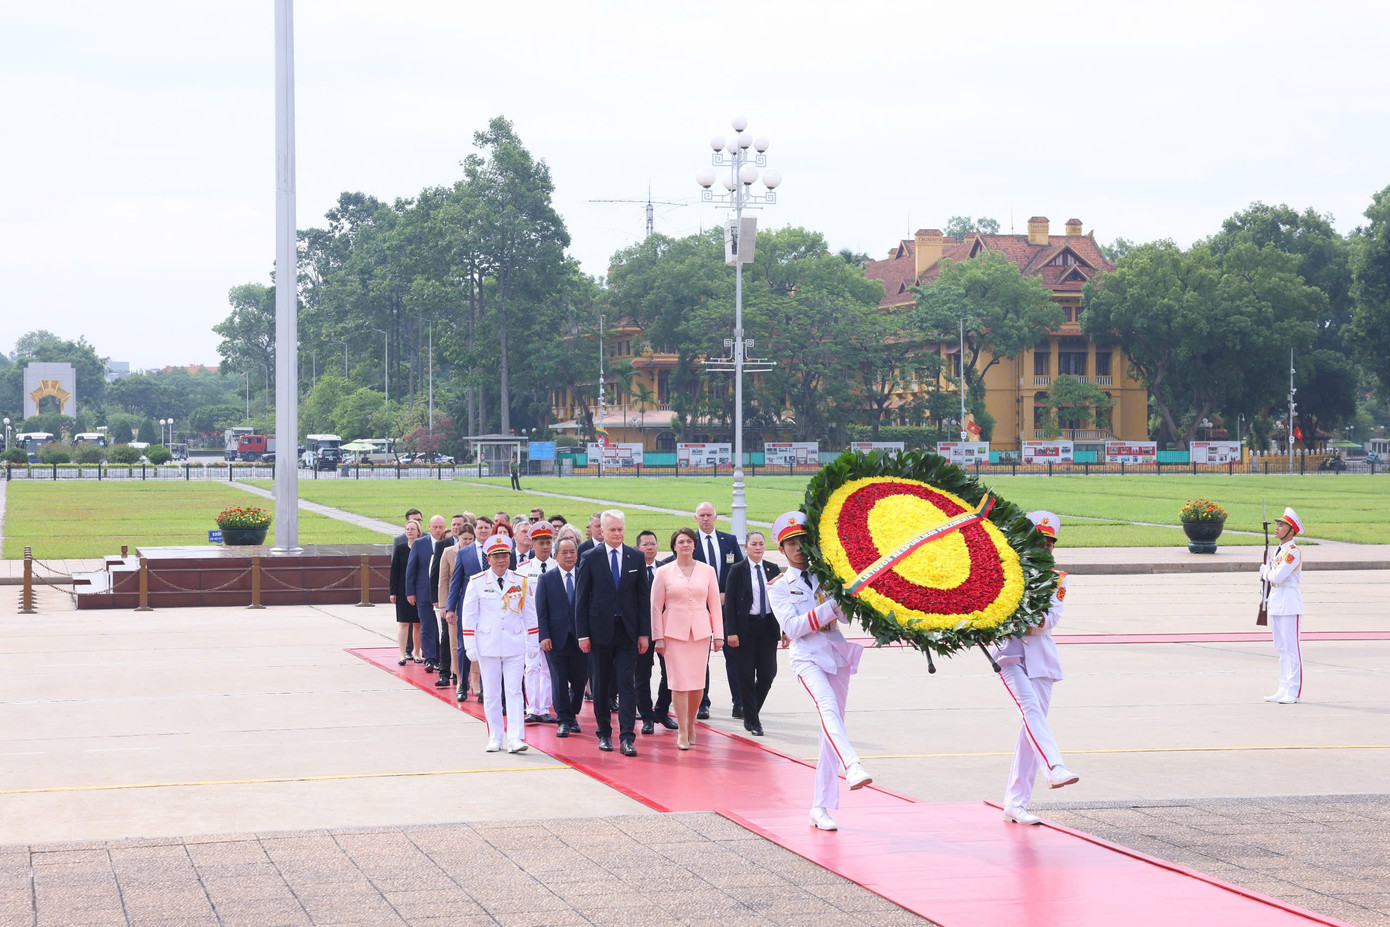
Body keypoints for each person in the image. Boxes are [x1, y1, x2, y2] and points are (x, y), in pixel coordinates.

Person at [767, 511, 871, 832]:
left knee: (831, 728)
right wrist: (831, 604)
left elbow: (846, 619)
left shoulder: (829, 577)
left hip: (835, 653)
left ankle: (820, 806)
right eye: (791, 544)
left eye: (803, 542)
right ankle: (852, 765)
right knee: (827, 709)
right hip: (807, 657)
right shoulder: (779, 586)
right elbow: (793, 627)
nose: (799, 548)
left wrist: (848, 593)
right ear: (782, 550)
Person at [992, 511, 1080, 826]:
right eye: (1038, 541)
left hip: (1041, 659)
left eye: (1049, 543)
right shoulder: (1003, 572)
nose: (1043, 548)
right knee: (1030, 711)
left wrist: (1018, 614)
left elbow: (1048, 621)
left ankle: (1015, 803)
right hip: (1009, 655)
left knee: (1031, 730)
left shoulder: (1057, 578)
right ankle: (1055, 768)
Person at [575, 509, 650, 757]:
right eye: (612, 530)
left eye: (620, 530)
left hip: (627, 631)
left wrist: (643, 633)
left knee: (626, 683)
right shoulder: (589, 557)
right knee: (601, 684)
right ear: (603, 531)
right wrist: (582, 634)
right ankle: (604, 733)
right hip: (599, 632)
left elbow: (642, 598)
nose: (617, 534)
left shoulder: (635, 557)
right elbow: (581, 600)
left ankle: (627, 737)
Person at [461, 535, 538, 754]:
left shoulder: (520, 581)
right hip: (488, 644)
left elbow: (530, 614)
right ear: (488, 558)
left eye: (504, 555)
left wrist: (533, 641)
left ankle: (515, 737)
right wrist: (470, 644)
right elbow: (469, 615)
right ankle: (495, 735)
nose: (501, 560)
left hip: (514, 644)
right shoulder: (477, 582)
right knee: (493, 693)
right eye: (496, 556)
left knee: (514, 691)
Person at [650, 527, 724, 751]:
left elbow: (715, 605)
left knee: (697, 685)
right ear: (674, 546)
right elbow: (655, 606)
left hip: (701, 633)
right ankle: (682, 729)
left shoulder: (707, 571)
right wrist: (658, 638)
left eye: (689, 541)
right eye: (681, 541)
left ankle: (692, 723)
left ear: (694, 545)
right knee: (679, 684)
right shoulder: (663, 572)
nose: (685, 545)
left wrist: (718, 635)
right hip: (674, 633)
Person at [723, 530, 784, 736]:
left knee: (768, 674)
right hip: (744, 629)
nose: (758, 547)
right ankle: (754, 721)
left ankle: (750, 713)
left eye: (761, 544)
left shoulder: (772, 568)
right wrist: (731, 632)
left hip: (767, 627)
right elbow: (729, 603)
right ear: (746, 547)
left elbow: (781, 602)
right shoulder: (737, 570)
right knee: (746, 676)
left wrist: (786, 630)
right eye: (754, 544)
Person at [692, 501, 744, 720]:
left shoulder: (729, 541)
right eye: (701, 515)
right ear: (696, 518)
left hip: (726, 607)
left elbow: (740, 571)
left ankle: (739, 703)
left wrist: (726, 595)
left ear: (716, 517)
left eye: (709, 515)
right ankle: (702, 702)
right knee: (700, 656)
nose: (705, 519)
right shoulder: (690, 542)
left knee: (733, 655)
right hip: (699, 607)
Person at [536, 535, 588, 737]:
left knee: (579, 680)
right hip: (555, 639)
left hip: (581, 639)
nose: (569, 556)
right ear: (555, 555)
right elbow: (542, 611)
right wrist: (544, 636)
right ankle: (564, 720)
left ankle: (573, 713)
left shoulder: (585, 576)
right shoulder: (546, 579)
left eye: (572, 552)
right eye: (564, 552)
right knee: (558, 679)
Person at [1261, 507, 1305, 705]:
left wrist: (1265, 572)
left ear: (1291, 530)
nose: (1277, 528)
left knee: (1291, 648)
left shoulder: (1292, 553)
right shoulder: (1280, 551)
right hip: (1277, 601)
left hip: (1289, 601)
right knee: (1280, 648)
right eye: (1277, 525)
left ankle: (1293, 690)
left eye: (1282, 525)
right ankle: (1282, 687)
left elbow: (1277, 576)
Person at [635, 530, 678, 734]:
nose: (650, 547)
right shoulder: (632, 570)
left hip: (665, 629)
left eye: (653, 543)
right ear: (638, 548)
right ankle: (646, 716)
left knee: (670, 672)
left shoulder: (667, 569)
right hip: (641, 631)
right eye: (645, 544)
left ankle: (661, 711)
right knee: (642, 674)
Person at [517, 523, 557, 723]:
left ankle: (545, 708)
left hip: (551, 626)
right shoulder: (523, 570)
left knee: (548, 668)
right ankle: (532, 708)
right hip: (530, 626)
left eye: (548, 542)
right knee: (531, 666)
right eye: (541, 543)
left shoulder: (557, 567)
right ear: (532, 545)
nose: (545, 547)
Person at [405, 515, 452, 672]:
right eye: (435, 527)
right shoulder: (420, 544)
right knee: (428, 626)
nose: (438, 530)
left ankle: (441, 658)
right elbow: (411, 569)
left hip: (444, 593)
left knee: (444, 628)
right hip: (423, 593)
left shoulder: (449, 543)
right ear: (429, 528)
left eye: (441, 527)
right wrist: (410, 592)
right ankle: (430, 659)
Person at [445, 521, 485, 703]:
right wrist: (450, 608)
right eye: (480, 527)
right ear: (475, 529)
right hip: (468, 606)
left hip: (491, 606)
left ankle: (486, 687)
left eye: (487, 527)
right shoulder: (464, 553)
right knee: (464, 646)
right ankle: (463, 684)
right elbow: (455, 582)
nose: (483, 530)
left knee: (487, 646)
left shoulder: (497, 549)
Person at [434, 517, 472, 689]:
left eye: (471, 539)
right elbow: (443, 581)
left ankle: (474, 679)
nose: (468, 542)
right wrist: (444, 606)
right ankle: (457, 675)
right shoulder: (449, 552)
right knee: (455, 642)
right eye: (465, 539)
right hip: (454, 603)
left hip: (473, 603)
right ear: (459, 538)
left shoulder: (477, 554)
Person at [390, 519, 423, 664]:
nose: (409, 531)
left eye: (412, 529)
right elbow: (394, 571)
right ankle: (402, 654)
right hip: (403, 590)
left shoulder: (422, 547)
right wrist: (393, 592)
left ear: (418, 532)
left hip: (419, 590)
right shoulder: (400, 548)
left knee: (418, 624)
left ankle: (417, 653)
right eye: (407, 529)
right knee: (403, 623)